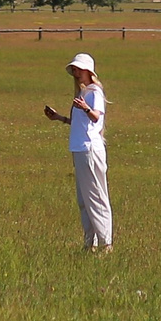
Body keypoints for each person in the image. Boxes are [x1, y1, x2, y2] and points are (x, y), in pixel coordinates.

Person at [44, 52, 112, 251]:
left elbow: (96, 117)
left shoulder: (94, 92)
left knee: (96, 197)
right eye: (74, 70)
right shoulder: (82, 93)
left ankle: (106, 244)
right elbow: (79, 123)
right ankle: (90, 243)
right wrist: (58, 118)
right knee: (84, 200)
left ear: (88, 71)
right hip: (79, 149)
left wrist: (85, 108)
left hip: (89, 150)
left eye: (78, 69)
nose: (76, 73)